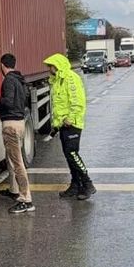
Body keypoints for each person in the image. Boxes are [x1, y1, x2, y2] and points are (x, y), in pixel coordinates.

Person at [42, 53, 95, 200]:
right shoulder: (58, 80)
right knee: (68, 155)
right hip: (63, 125)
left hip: (72, 124)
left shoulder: (71, 78)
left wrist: (70, 119)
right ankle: (75, 184)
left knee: (72, 154)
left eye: (51, 66)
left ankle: (88, 184)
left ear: (57, 66)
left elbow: (78, 101)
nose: (49, 69)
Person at [0, 53, 34, 214]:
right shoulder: (20, 80)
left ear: (2, 65)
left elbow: (8, 101)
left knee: (17, 163)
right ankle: (14, 190)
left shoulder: (8, 81)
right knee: (12, 160)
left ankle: (26, 199)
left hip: (11, 126)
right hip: (19, 122)